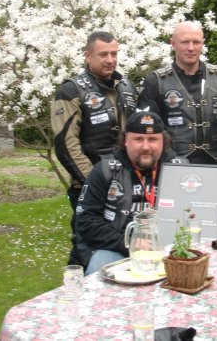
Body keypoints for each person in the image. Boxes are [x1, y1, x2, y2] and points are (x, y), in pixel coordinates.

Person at [51, 31, 138, 265]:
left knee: (125, 243)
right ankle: (77, 284)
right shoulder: (71, 91)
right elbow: (66, 145)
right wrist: (96, 181)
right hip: (89, 185)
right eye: (103, 54)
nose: (110, 60)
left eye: (114, 54)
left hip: (127, 183)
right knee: (86, 246)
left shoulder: (128, 87)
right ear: (87, 56)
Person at [75, 111, 185, 275]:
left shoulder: (180, 169)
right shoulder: (105, 170)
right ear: (126, 140)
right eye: (138, 139)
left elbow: (193, 214)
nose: (146, 147)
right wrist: (128, 242)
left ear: (163, 141)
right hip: (115, 247)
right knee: (98, 278)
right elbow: (85, 221)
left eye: (153, 139)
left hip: (167, 247)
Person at [137, 21, 217, 165]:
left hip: (216, 163)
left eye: (196, 42)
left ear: (203, 43)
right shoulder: (155, 81)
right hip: (172, 164)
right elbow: (147, 130)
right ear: (173, 43)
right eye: (185, 42)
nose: (191, 48)